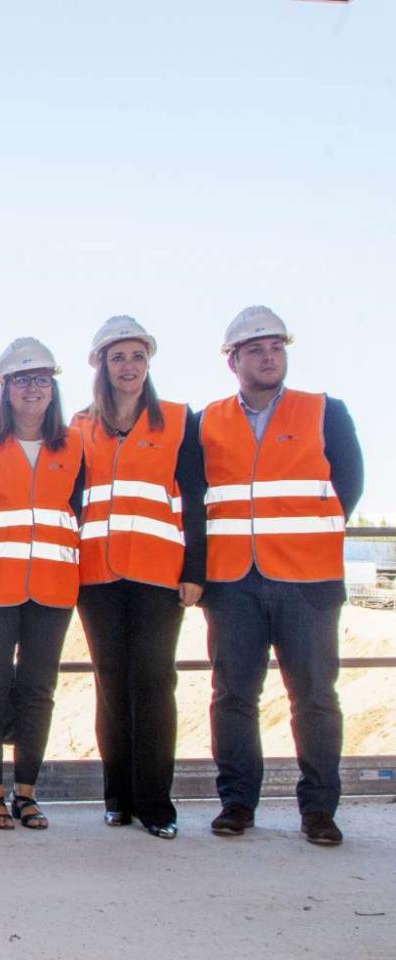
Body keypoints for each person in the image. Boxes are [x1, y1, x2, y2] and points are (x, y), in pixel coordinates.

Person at [199, 306, 362, 846]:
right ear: (233, 361)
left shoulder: (324, 411)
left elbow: (349, 486)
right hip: (233, 582)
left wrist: (307, 539)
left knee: (314, 697)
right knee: (232, 696)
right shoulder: (207, 421)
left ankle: (319, 810)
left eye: (276, 348)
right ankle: (237, 803)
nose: (269, 357)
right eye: (256, 350)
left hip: (308, 582)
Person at [72, 316, 205, 840]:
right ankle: (117, 798)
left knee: (153, 682)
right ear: (102, 366)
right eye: (118, 357)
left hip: (158, 575)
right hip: (96, 576)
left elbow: (194, 499)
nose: (128, 367)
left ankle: (155, 803)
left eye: (137, 356)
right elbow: (69, 501)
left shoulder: (178, 420)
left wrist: (195, 570)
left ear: (149, 363)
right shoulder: (80, 426)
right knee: (111, 683)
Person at [0, 339, 83, 832]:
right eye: (22, 380)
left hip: (52, 587)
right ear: (5, 388)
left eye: (41, 380)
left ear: (53, 388)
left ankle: (27, 793)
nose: (33, 389)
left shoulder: (74, 445)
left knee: (38, 689)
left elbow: (81, 511)